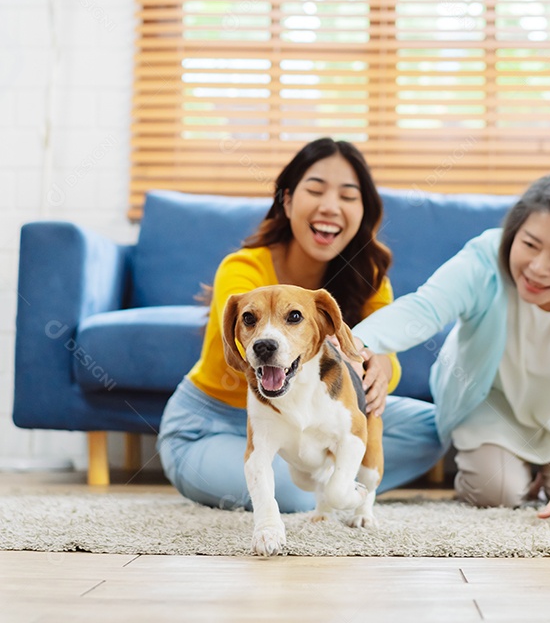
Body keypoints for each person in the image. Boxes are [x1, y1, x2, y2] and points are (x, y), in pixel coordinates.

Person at [157, 138, 442, 512]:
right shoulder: (243, 269)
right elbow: (257, 348)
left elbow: (380, 358)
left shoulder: (370, 276)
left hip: (313, 411)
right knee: (293, 494)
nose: (330, 206)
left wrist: (384, 362)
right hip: (212, 425)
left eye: (348, 195)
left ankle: (335, 474)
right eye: (316, 189)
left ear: (363, 212)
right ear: (287, 200)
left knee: (436, 430)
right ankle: (329, 480)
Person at [352, 173, 550, 527]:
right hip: (491, 405)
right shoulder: (484, 257)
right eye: (530, 245)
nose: (537, 268)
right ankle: (523, 479)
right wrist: (356, 342)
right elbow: (425, 308)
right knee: (495, 493)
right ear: (513, 233)